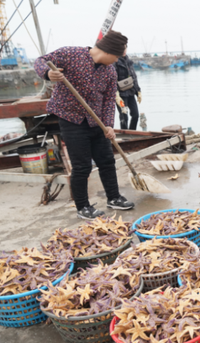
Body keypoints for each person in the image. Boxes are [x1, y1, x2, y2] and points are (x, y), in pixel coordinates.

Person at [34, 30, 135, 220]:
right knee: (82, 166)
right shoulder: (71, 54)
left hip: (96, 121)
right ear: (108, 51)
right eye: (116, 57)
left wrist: (108, 126)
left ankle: (113, 197)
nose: (116, 61)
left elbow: (108, 101)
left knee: (107, 161)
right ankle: (83, 207)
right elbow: (40, 60)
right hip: (71, 119)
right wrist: (48, 73)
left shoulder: (109, 72)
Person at [114, 52, 141, 130]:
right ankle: (124, 136)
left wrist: (138, 91)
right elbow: (112, 79)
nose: (124, 50)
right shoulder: (114, 62)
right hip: (120, 94)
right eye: (122, 48)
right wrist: (116, 94)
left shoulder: (129, 61)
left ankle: (132, 132)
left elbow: (134, 77)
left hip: (130, 92)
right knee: (124, 116)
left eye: (125, 47)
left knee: (135, 114)